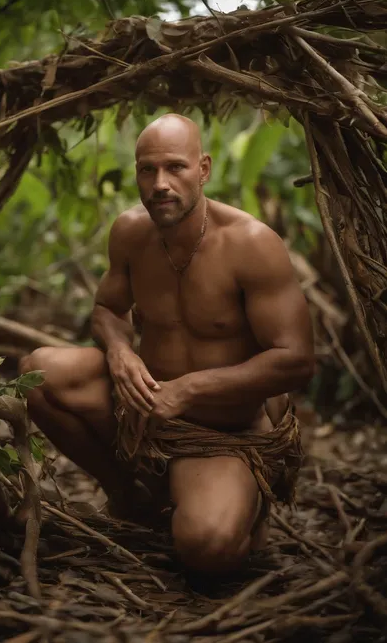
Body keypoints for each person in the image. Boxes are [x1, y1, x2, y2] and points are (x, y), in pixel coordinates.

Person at [20, 113, 314, 576]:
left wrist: (189, 389)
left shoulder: (251, 243)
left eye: (175, 167)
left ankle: (242, 501)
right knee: (38, 374)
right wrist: (120, 352)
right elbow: (107, 310)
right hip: (146, 412)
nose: (159, 184)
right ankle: (132, 494)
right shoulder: (131, 233)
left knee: (208, 550)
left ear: (204, 169)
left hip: (224, 435)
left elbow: (296, 361)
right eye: (147, 170)